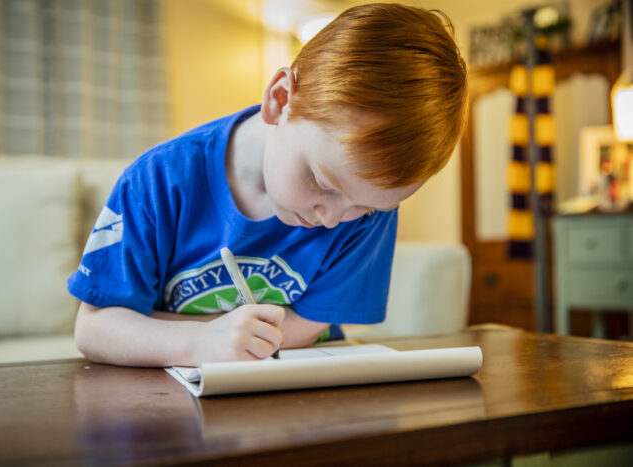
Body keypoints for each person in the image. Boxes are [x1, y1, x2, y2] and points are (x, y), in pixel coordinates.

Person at [67, 3, 467, 368]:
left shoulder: (368, 209)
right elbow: (95, 328)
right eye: (321, 182)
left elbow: (311, 321)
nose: (333, 220)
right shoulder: (157, 180)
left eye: (365, 208)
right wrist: (200, 341)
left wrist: (164, 328)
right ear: (280, 99)